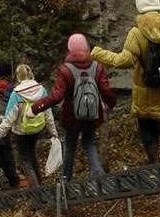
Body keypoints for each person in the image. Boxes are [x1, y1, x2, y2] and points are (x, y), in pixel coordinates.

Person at [91, 0, 160, 164]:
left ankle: (153, 160)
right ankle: (155, 157)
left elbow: (123, 61)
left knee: (145, 127)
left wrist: (97, 53)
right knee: (156, 124)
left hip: (145, 89)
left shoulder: (137, 33)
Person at [28, 34, 116, 181]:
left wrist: (35, 108)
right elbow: (106, 90)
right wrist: (111, 104)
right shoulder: (97, 67)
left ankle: (66, 179)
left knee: (70, 145)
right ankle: (99, 176)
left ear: (70, 49)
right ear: (86, 47)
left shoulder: (65, 70)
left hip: (72, 116)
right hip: (92, 113)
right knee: (89, 143)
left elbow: (57, 96)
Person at [0, 63, 59, 187]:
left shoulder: (17, 94)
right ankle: (39, 184)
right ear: (30, 73)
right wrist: (53, 132)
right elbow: (48, 114)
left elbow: (8, 119)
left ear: (18, 76)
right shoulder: (41, 90)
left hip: (21, 131)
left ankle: (35, 189)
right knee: (32, 154)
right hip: (37, 128)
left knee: (24, 159)